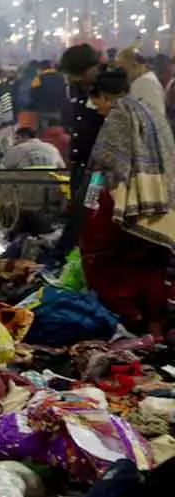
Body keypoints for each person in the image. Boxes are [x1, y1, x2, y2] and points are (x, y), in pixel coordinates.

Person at [82, 66, 175, 336]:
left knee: (119, 272)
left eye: (96, 102)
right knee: (153, 269)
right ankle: (155, 327)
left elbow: (104, 169)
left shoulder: (119, 116)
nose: (97, 108)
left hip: (127, 209)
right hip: (160, 206)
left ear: (104, 97)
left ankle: (129, 326)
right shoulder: (150, 113)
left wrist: (89, 205)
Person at [53, 44, 107, 262]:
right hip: (81, 166)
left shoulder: (106, 91)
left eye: (75, 74)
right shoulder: (80, 90)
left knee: (88, 214)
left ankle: (70, 257)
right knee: (79, 209)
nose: (72, 80)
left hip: (98, 171)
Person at [118, 47, 170, 128]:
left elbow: (154, 117)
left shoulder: (145, 82)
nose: (124, 74)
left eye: (124, 68)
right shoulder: (145, 79)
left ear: (134, 65)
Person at [0, 127, 65, 169]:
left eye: (17, 138)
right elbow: (62, 168)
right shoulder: (52, 148)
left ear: (24, 137)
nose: (15, 142)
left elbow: (5, 166)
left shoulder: (19, 148)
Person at [31, 60, 68, 131]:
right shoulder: (61, 78)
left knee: (44, 134)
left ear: (41, 68)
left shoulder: (38, 78)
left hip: (43, 111)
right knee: (56, 132)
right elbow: (65, 93)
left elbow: (33, 95)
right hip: (57, 111)